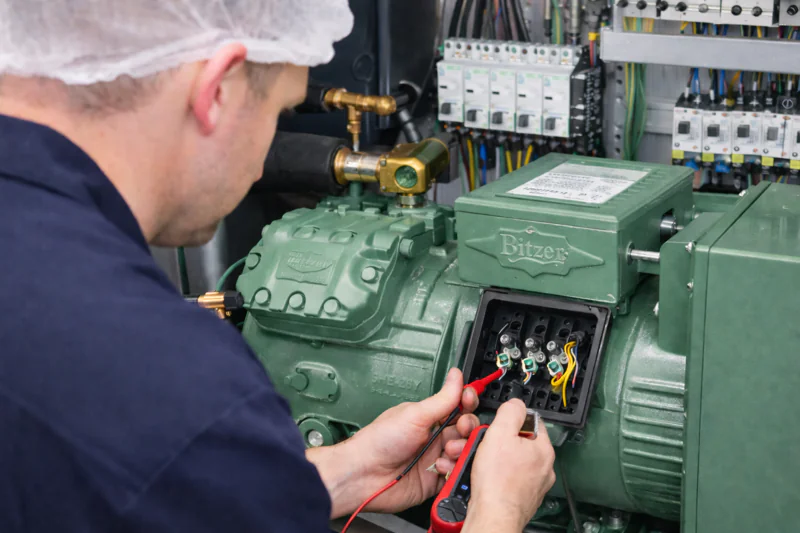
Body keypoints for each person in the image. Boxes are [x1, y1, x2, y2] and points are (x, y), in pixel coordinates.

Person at [0, 1, 556, 532]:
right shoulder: (169, 381)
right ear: (217, 89)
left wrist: (345, 472)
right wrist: (497, 513)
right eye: (278, 112)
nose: (270, 140)